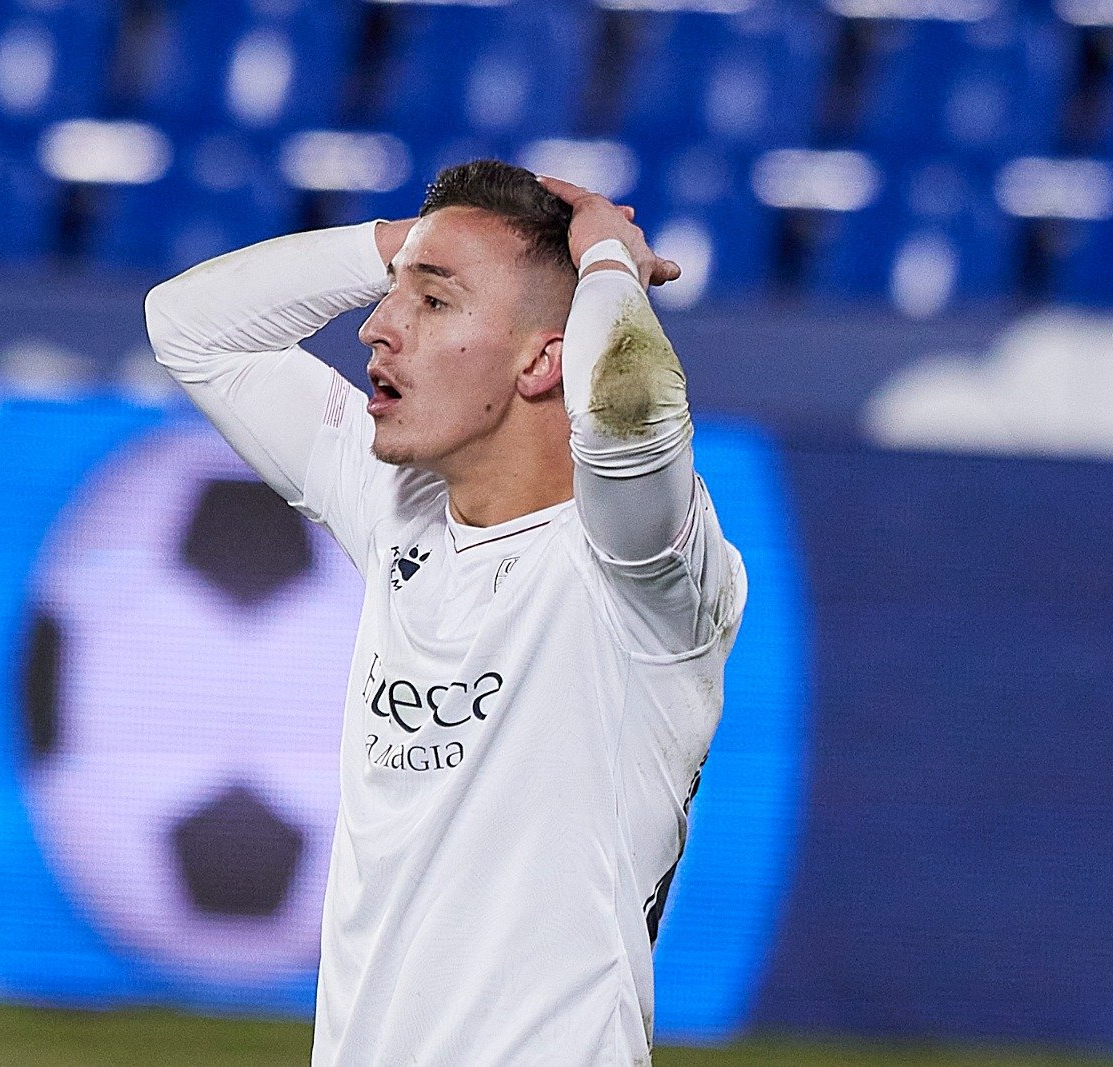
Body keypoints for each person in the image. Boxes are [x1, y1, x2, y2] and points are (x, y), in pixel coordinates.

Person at [144, 159, 746, 1066]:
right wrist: (405, 249)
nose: (377, 328)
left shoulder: (642, 573)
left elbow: (628, 420)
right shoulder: (398, 507)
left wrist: (610, 267)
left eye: (433, 304)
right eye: (395, 298)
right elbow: (191, 328)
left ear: (547, 358)